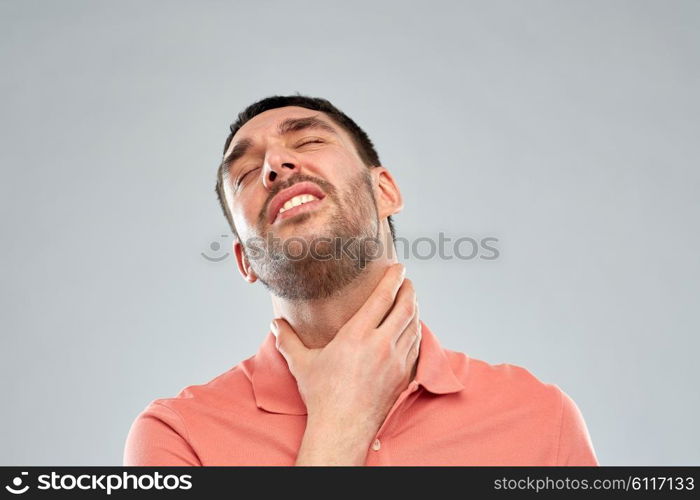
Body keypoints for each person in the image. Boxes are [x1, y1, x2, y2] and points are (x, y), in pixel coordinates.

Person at [123, 95, 599, 466]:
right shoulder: (178, 436)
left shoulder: (538, 416)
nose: (275, 166)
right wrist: (338, 425)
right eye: (247, 172)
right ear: (245, 259)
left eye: (308, 142)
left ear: (385, 191)